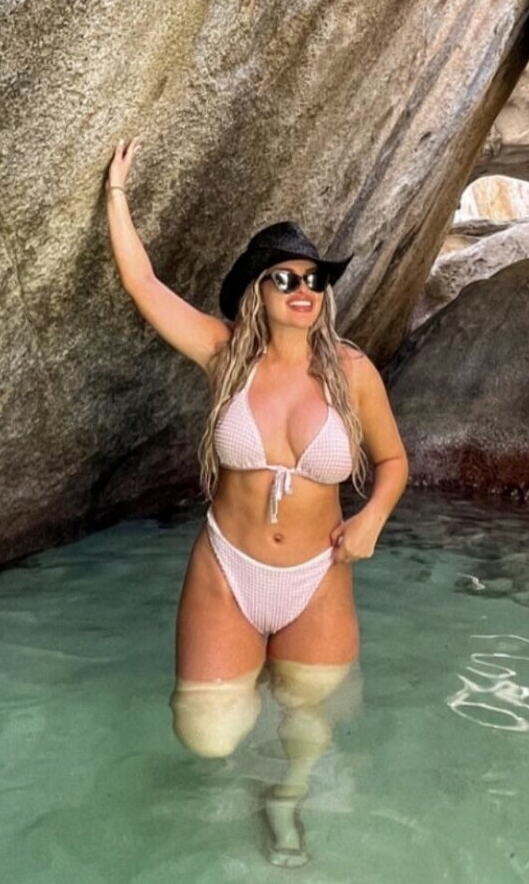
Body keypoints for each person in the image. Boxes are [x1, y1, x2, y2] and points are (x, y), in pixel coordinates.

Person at [105, 136, 408, 866]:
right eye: (285, 277)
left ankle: (286, 798)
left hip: (319, 573)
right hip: (228, 567)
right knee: (206, 734)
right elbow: (144, 283)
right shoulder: (224, 354)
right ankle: (242, 739)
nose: (304, 288)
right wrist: (116, 194)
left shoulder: (353, 372)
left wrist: (371, 517)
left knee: (309, 720)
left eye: (314, 278)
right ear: (257, 291)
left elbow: (394, 461)